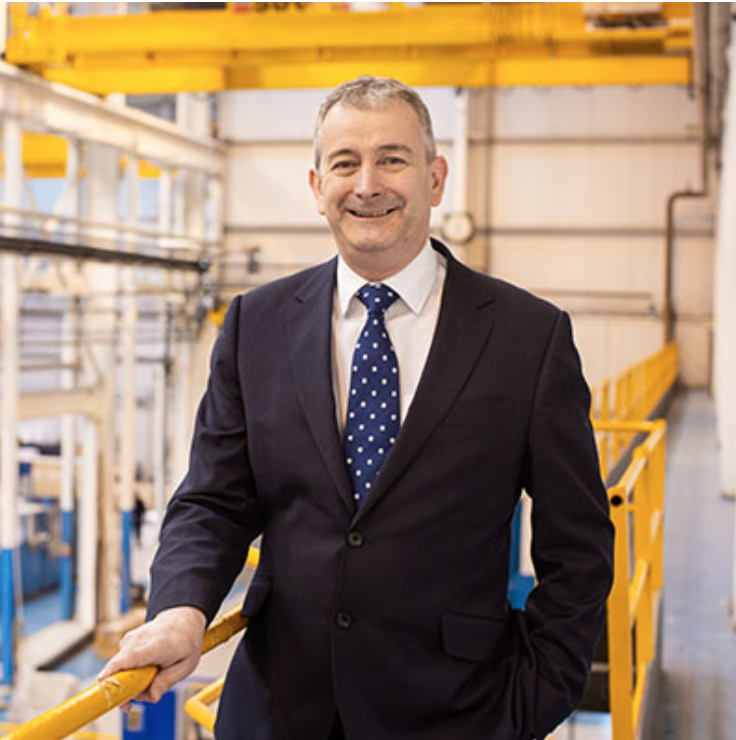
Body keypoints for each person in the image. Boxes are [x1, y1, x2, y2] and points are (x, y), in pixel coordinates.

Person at [99, 76, 614, 740]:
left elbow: (578, 543)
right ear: (318, 187)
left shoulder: (527, 337)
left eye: (392, 159)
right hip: (277, 711)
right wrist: (180, 610)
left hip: (456, 712)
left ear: (435, 179)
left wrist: (535, 698)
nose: (367, 185)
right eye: (345, 163)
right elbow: (214, 499)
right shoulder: (256, 325)